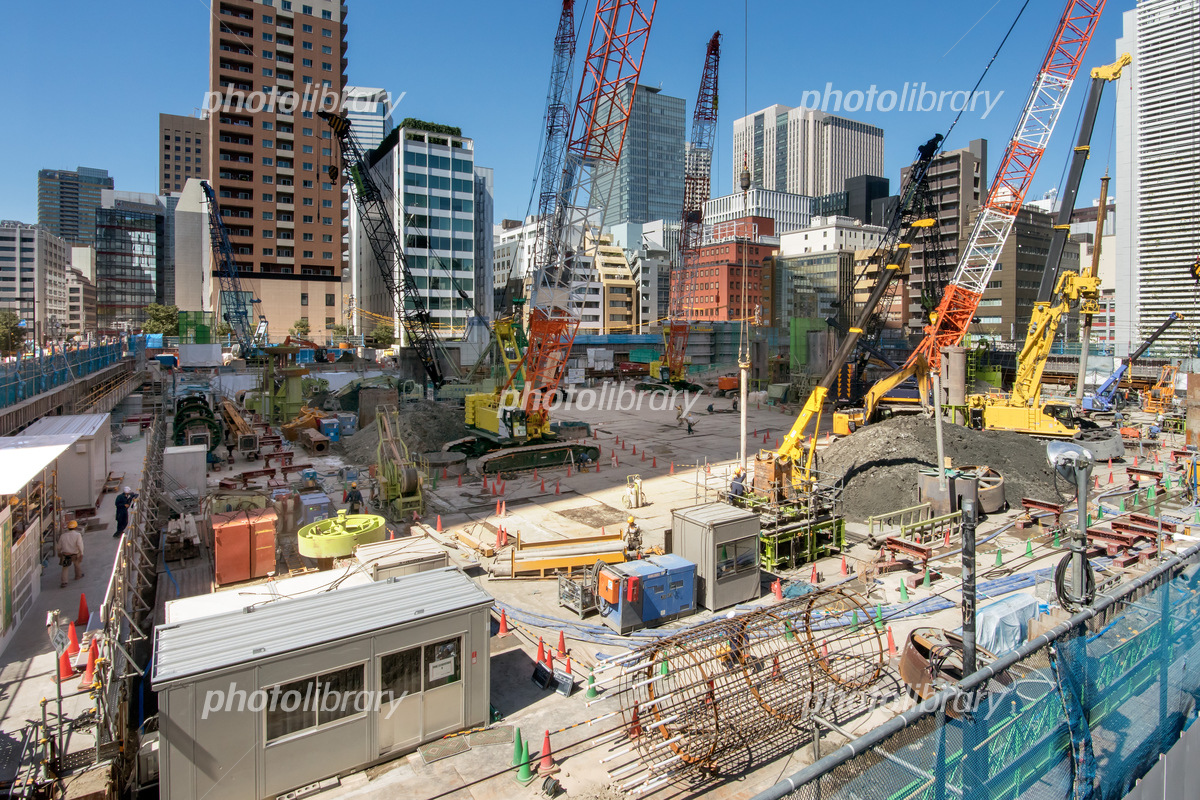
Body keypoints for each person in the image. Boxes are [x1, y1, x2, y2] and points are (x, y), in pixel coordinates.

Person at [58, 520, 85, 588]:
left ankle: (64, 582)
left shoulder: (63, 536)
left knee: (65, 568)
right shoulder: (77, 535)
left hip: (65, 554)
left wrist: (59, 552)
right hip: (74, 554)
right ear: (75, 527)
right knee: (77, 564)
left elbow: (59, 546)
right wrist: (81, 553)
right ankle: (78, 576)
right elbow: (80, 545)